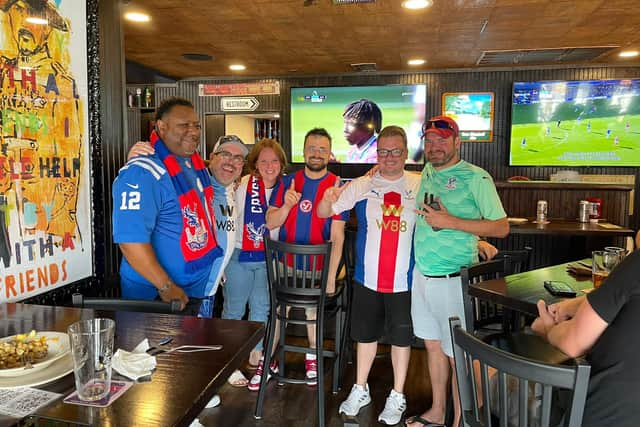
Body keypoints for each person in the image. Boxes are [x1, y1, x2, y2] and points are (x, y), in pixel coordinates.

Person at [408, 116, 509, 427]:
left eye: (442, 139)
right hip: (422, 277)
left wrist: (453, 223)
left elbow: (502, 227)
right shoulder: (426, 171)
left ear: (456, 143)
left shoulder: (476, 178)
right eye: (429, 140)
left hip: (453, 281)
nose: (435, 146)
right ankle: (438, 412)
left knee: (457, 355)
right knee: (433, 346)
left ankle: (460, 421)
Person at [318, 126, 419, 425]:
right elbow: (325, 212)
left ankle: (398, 394)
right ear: (377, 153)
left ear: (405, 152)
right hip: (367, 278)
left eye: (395, 151)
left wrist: (476, 241)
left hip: (405, 280)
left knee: (401, 339)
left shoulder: (420, 182)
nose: (389, 157)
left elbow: (441, 218)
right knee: (365, 336)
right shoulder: (362, 185)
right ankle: (360, 388)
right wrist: (327, 198)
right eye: (383, 151)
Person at [113, 97, 230, 315]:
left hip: (193, 290)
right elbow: (130, 241)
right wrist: (165, 286)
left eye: (196, 125)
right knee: (151, 349)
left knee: (189, 347)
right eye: (184, 125)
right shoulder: (142, 172)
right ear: (161, 127)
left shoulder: (194, 164)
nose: (193, 131)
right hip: (157, 295)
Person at [262, 127, 348, 387]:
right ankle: (267, 359)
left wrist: (331, 276)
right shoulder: (288, 182)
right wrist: (288, 205)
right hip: (285, 265)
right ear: (303, 151)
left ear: (330, 154)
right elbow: (270, 222)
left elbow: (338, 235)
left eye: (322, 149)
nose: (316, 153)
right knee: (278, 312)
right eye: (312, 148)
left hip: (317, 268)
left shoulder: (336, 186)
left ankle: (312, 356)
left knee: (312, 311)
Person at [531, 249, 640, 427]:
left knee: (478, 370)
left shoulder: (636, 265)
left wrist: (548, 329)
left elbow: (572, 344)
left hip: (585, 416)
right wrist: (572, 306)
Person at [219, 138, 287, 387]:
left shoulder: (285, 187)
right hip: (239, 254)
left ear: (281, 163)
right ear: (255, 164)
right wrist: (222, 262)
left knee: (261, 310)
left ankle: (256, 357)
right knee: (234, 311)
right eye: (264, 161)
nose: (270, 166)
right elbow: (225, 222)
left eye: (274, 160)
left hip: (268, 258)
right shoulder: (242, 184)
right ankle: (230, 364)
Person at [343, 99, 382, 163]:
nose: (345, 129)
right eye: (345, 123)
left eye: (352, 124)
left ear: (369, 126)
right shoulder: (353, 150)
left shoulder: (377, 154)